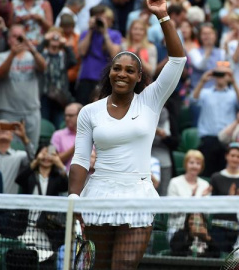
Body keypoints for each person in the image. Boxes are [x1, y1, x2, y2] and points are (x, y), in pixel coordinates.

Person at [68, 0, 187, 268]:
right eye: (117, 68)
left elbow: (178, 60)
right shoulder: (89, 111)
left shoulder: (150, 100)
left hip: (138, 194)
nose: (122, 73)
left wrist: (162, 16)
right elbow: (80, 158)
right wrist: (74, 198)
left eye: (129, 70)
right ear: (109, 73)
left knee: (123, 266)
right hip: (99, 194)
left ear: (138, 76)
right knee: (100, 266)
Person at [15, 145, 68, 268]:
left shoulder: (57, 179)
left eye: (51, 155)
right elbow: (19, 179)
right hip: (26, 227)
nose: (47, 157)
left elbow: (68, 185)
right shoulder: (30, 175)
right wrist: (36, 160)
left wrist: (59, 163)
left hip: (46, 230)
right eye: (43, 154)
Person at [192, 64, 239, 177]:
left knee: (226, 174)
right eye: (218, 73)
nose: (221, 76)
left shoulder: (232, 94)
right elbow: (193, 100)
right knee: (206, 174)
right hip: (208, 139)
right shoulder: (205, 92)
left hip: (227, 139)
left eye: (224, 74)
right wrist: (202, 81)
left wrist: (234, 81)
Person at [0, 24, 46, 150]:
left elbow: (43, 67)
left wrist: (32, 49)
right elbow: (1, 74)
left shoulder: (32, 56)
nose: (18, 39)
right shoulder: (2, 57)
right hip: (8, 113)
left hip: (31, 112)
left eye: (21, 37)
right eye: (15, 36)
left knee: (32, 149)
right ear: (8, 40)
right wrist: (12, 54)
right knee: (7, 148)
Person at [75, 4, 121, 105]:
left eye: (103, 17)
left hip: (105, 78)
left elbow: (115, 55)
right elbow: (82, 52)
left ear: (110, 19)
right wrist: (91, 30)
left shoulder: (115, 34)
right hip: (86, 77)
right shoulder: (86, 33)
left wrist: (105, 33)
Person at [209, 142, 239, 254]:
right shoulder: (216, 177)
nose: (235, 159)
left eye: (238, 156)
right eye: (232, 155)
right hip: (219, 227)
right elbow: (212, 204)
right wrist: (229, 198)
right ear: (226, 156)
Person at [37, 27, 77, 129]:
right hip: (44, 96)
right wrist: (45, 40)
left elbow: (73, 61)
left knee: (59, 125)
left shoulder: (63, 56)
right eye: (52, 37)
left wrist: (66, 45)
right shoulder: (42, 55)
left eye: (57, 37)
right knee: (43, 125)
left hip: (60, 97)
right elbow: (35, 53)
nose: (55, 39)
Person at [167, 150, 211, 241]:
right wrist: (193, 198)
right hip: (177, 228)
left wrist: (201, 199)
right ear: (186, 164)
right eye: (191, 163)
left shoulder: (205, 185)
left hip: (199, 230)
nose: (194, 166)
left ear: (201, 166)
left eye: (198, 163)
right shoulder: (174, 182)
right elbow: (173, 210)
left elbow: (207, 213)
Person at [0, 120, 34, 194]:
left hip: (10, 202)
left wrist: (24, 137)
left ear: (12, 135)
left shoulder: (19, 156)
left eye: (7, 128)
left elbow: (34, 159)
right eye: (1, 127)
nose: (3, 130)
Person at [50, 103, 82, 173]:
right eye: (65, 115)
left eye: (70, 115)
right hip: (64, 178)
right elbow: (49, 158)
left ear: (81, 115)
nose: (67, 118)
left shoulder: (91, 134)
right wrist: (74, 148)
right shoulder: (56, 135)